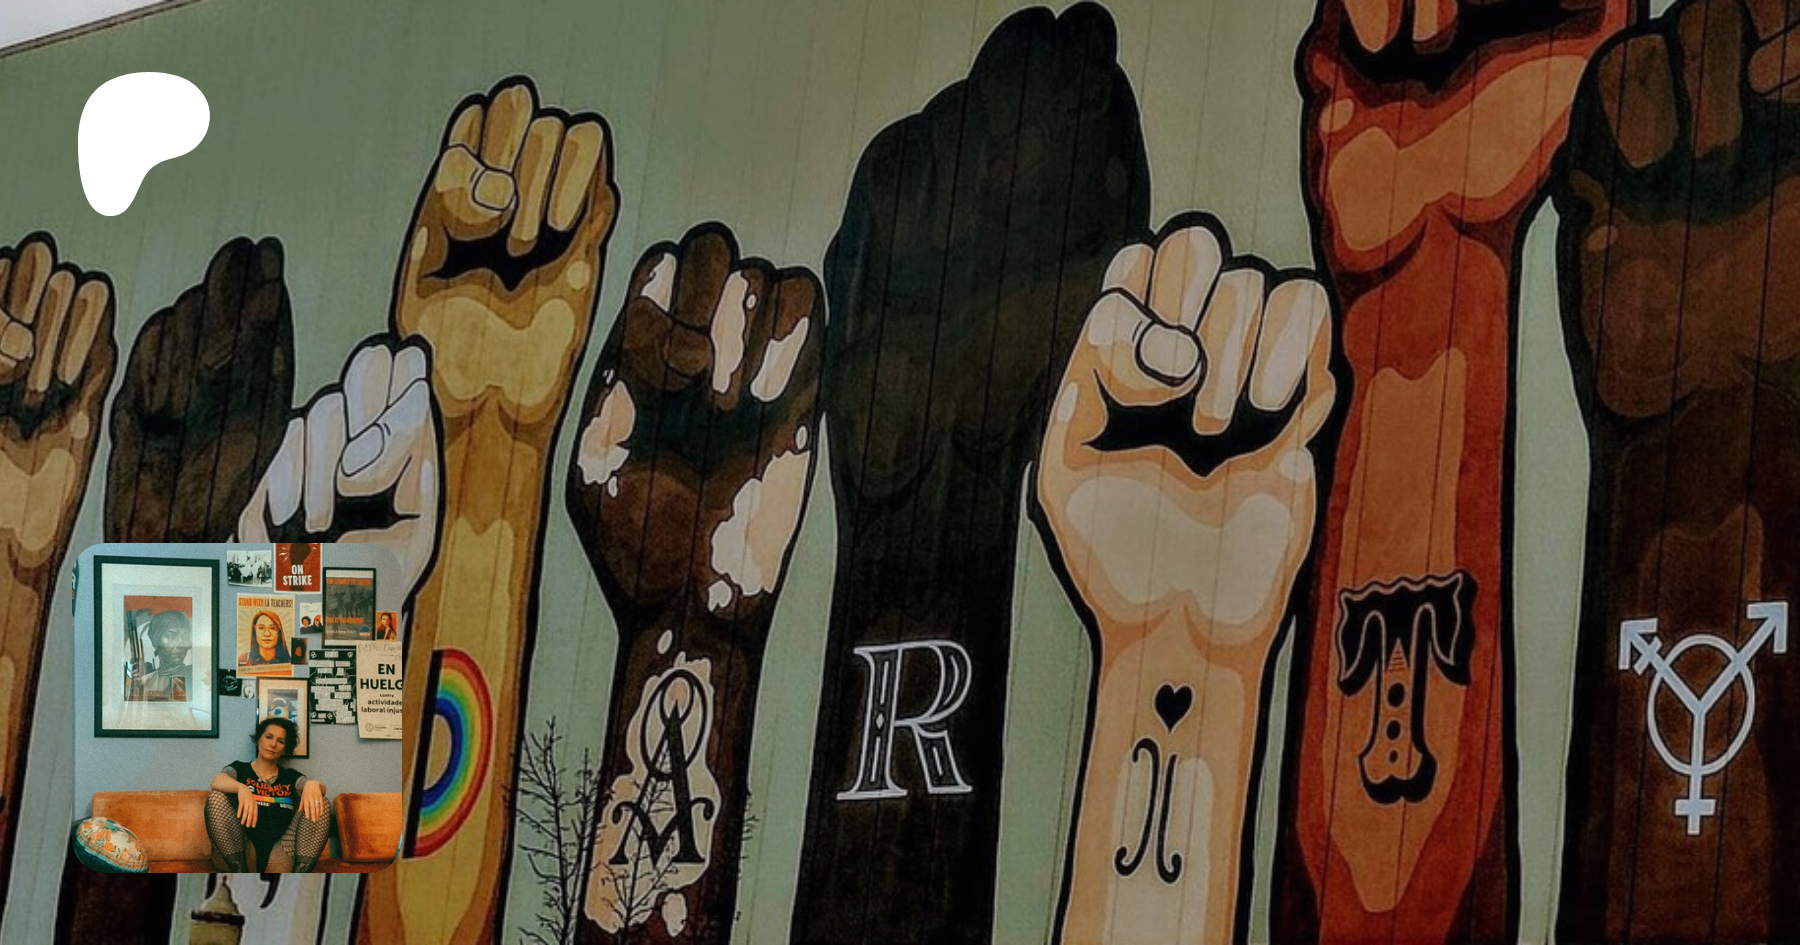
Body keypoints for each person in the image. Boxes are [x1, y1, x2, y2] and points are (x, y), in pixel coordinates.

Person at [205, 717, 331, 872]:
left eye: (281, 741)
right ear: (259, 739)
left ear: (285, 749)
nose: (273, 744)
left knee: (323, 802)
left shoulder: (290, 777)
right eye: (269, 737)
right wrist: (242, 789)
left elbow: (319, 789)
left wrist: (313, 784)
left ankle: (298, 879)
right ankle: (241, 877)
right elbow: (217, 781)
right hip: (243, 849)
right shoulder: (240, 769)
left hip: (280, 853)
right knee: (216, 797)